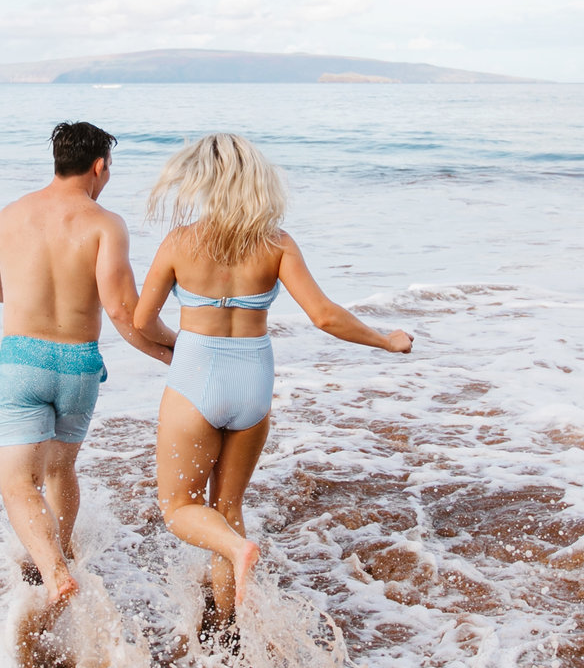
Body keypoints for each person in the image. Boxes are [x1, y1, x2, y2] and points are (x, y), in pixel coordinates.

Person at [133, 132, 412, 619]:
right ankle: (231, 627)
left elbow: (141, 320)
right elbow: (324, 316)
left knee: (178, 508)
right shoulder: (276, 243)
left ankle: (238, 559)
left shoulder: (180, 241)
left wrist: (181, 347)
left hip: (196, 376)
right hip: (253, 382)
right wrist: (386, 340)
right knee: (227, 508)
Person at [0, 121, 174, 610]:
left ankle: (52, 571)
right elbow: (125, 313)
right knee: (61, 471)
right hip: (79, 365)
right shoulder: (105, 224)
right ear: (99, 165)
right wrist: (176, 352)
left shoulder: (10, 215)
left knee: (20, 483)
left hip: (22, 360)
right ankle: (62, 554)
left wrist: (25, 296)